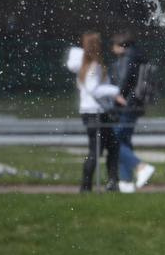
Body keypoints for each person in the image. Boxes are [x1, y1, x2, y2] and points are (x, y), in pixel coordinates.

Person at [66, 31, 120, 193]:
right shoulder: (93, 66)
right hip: (95, 112)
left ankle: (111, 182)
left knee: (111, 147)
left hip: (92, 111)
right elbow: (93, 89)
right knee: (96, 150)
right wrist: (116, 91)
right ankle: (86, 186)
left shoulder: (84, 66)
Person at [109, 29, 156, 193]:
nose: (112, 49)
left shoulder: (128, 58)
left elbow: (124, 79)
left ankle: (141, 167)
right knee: (124, 140)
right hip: (136, 103)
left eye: (114, 45)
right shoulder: (138, 56)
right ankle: (127, 182)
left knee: (112, 140)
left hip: (126, 104)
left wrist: (116, 95)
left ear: (121, 45)